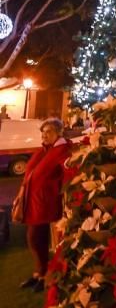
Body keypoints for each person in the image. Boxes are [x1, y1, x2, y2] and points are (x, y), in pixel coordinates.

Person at [19, 118, 72, 292]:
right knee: (37, 238)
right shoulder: (45, 149)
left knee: (35, 238)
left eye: (48, 131)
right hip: (34, 201)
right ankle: (39, 274)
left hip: (45, 202)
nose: (44, 135)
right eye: (43, 132)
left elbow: (68, 172)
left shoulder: (62, 150)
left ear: (59, 133)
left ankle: (45, 275)